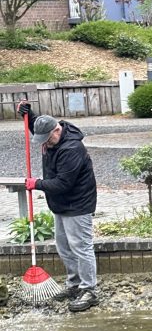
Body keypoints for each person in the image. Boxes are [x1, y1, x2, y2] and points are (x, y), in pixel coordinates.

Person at [19, 106, 99, 312]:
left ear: (57, 131)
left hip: (78, 204)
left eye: (47, 140)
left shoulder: (71, 149)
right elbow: (39, 126)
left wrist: (36, 183)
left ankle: (89, 291)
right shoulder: (52, 135)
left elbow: (63, 183)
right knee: (64, 247)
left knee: (81, 247)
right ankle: (74, 285)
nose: (44, 144)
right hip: (61, 204)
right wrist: (27, 115)